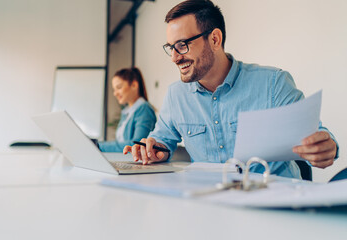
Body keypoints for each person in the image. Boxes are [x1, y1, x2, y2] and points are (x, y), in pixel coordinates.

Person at [124, 0, 338, 178]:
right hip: (211, 205)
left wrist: (326, 147)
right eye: (170, 48)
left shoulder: (273, 83)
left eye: (182, 45)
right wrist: (151, 149)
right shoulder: (176, 95)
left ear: (215, 39)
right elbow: (161, 141)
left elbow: (316, 133)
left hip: (274, 205)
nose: (174, 57)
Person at [98, 67, 156, 152]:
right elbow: (121, 142)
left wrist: (98, 146)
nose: (115, 93)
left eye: (119, 87)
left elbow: (137, 145)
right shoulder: (127, 112)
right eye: (114, 89)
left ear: (134, 85)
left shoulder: (144, 109)